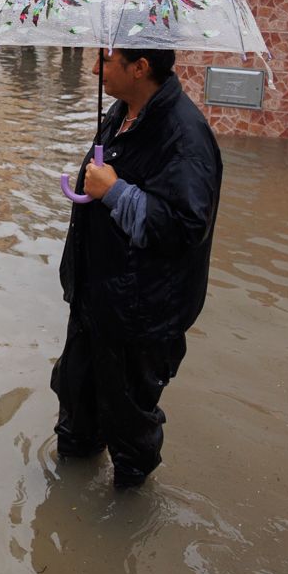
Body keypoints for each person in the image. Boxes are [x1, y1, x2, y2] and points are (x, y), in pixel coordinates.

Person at [51, 46, 223, 488]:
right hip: (96, 299)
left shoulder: (185, 137)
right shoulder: (121, 112)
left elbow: (185, 228)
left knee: (129, 429)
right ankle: (67, 506)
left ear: (140, 67)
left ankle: (125, 521)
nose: (93, 69)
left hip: (140, 315)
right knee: (75, 404)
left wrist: (115, 192)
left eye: (105, 61)